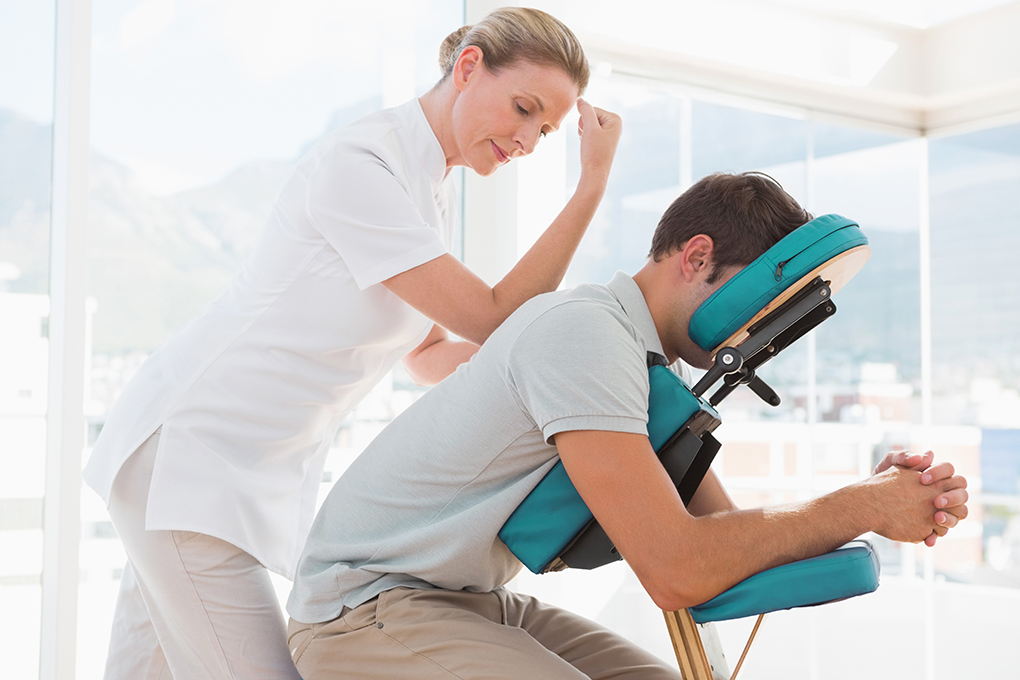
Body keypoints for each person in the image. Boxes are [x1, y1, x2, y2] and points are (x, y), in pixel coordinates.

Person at [83, 7, 622, 680]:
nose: (528, 140)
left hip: (225, 470)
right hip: (188, 460)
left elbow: (428, 355)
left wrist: (536, 373)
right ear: (468, 66)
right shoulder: (363, 164)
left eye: (544, 129)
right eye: (523, 108)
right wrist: (591, 184)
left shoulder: (428, 193)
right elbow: (492, 316)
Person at [285, 172, 970, 680]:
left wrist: (880, 500)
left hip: (466, 601)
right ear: (696, 257)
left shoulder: (646, 367)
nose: (759, 332)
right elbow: (678, 569)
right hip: (364, 609)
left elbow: (726, 543)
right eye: (759, 306)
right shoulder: (585, 334)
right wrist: (863, 505)